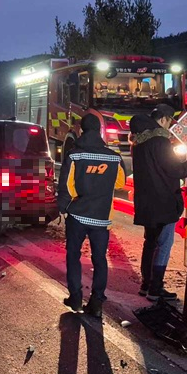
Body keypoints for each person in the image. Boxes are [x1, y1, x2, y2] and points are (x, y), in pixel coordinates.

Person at [57, 114, 127, 319]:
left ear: (81, 130)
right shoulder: (114, 157)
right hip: (101, 218)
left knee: (73, 256)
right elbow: (120, 183)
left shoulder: (74, 155)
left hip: (78, 216)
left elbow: (67, 187)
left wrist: (64, 207)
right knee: (99, 259)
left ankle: (76, 298)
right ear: (99, 131)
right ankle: (96, 303)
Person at [130, 104, 187, 301]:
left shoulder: (138, 144)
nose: (170, 126)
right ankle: (155, 288)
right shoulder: (160, 141)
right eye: (170, 121)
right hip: (164, 201)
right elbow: (175, 170)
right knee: (164, 244)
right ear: (164, 119)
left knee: (150, 242)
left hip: (146, 202)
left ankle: (146, 284)